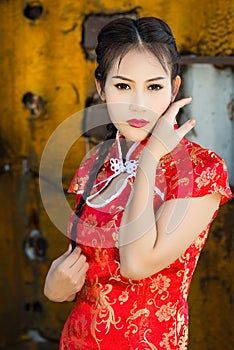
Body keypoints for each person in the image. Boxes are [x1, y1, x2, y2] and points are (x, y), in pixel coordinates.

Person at [44, 17, 232, 349]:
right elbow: (80, 264)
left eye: (154, 87)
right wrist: (55, 288)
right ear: (101, 87)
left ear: (174, 89)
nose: (138, 103)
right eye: (123, 86)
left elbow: (136, 264)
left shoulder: (201, 170)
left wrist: (149, 160)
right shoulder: (97, 163)